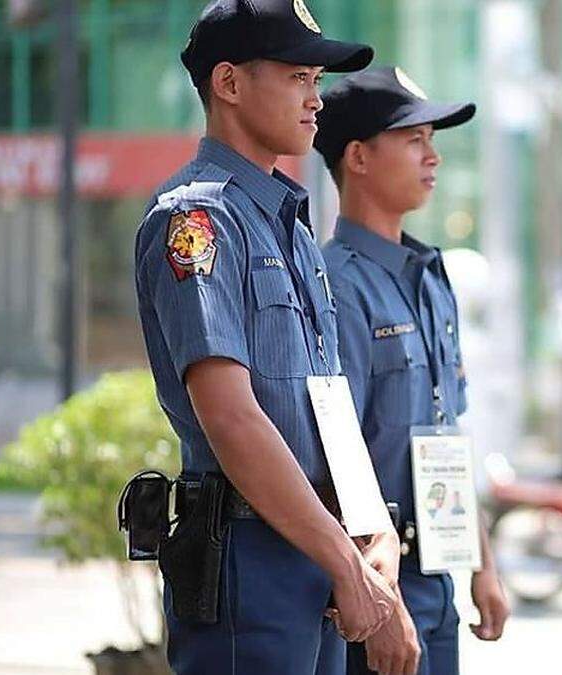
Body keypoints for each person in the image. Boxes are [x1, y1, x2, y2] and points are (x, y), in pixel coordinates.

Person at [133, 2, 400, 672]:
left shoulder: (291, 223)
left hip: (319, 552)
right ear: (228, 83)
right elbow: (229, 414)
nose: (316, 100)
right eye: (299, 78)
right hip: (248, 558)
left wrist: (373, 537)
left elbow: (327, 403)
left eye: (317, 81)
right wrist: (344, 557)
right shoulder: (197, 218)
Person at [312, 66, 510, 675]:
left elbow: (448, 433)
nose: (434, 157)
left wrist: (483, 562)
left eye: (433, 140)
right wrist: (382, 598)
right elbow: (335, 460)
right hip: (375, 591)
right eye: (414, 139)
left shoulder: (431, 277)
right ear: (359, 157)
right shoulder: (335, 286)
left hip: (437, 579)